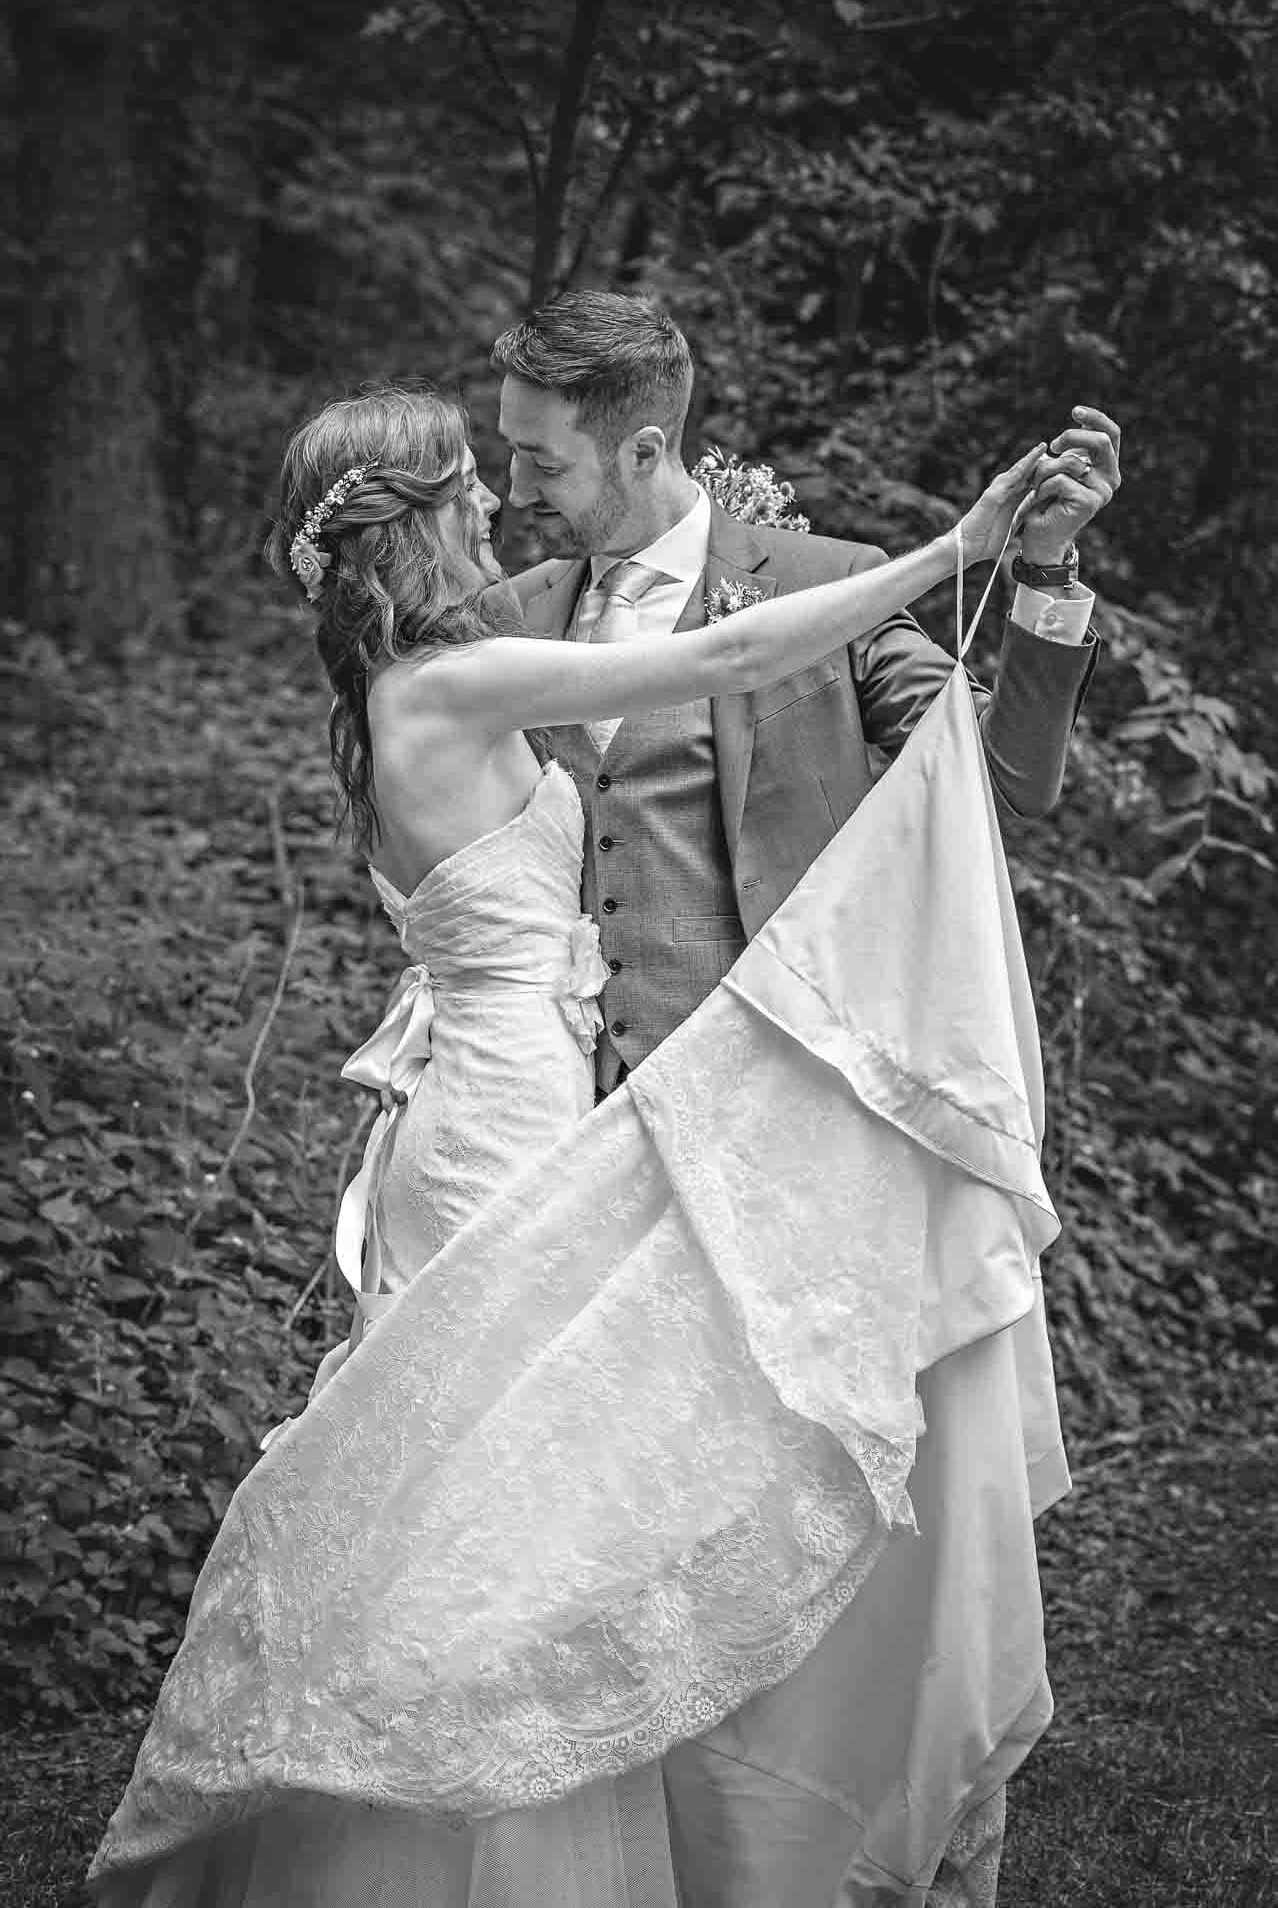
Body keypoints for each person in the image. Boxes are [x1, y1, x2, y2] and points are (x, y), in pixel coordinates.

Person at [88, 377, 1101, 1908]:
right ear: (420, 519)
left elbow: (714, 641)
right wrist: (953, 541)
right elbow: (732, 653)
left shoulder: (421, 672)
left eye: (521, 465)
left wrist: (750, 543)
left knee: (510, 1483)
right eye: (473, 483)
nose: (501, 499)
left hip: (523, 1103)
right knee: (500, 1502)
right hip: (506, 1125)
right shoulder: (450, 679)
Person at [493, 291, 1117, 1100]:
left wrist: (1040, 569)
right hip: (554, 1114)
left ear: (643, 451)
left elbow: (1010, 778)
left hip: (770, 1103)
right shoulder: (510, 616)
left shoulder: (826, 588)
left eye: (546, 465)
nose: (516, 491)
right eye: (511, 453)